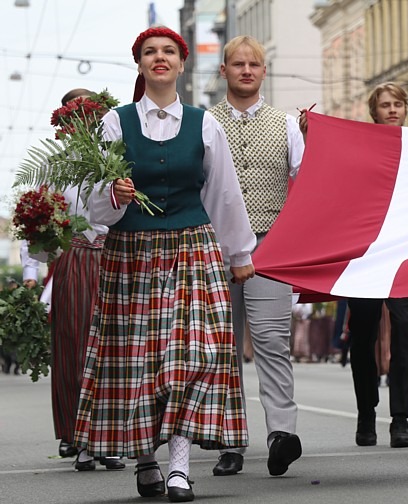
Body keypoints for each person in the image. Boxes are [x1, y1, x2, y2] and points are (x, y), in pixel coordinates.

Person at [72, 26, 256, 503]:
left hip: (192, 250)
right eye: (150, 52)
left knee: (190, 358)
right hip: (131, 253)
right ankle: (146, 461)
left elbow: (223, 194)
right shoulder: (114, 124)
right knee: (139, 364)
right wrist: (114, 195)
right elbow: (96, 208)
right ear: (139, 64)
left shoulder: (204, 123)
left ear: (181, 63)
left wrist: (240, 255)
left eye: (168, 52)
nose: (159, 58)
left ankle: (179, 465)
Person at [299, 83, 408, 447]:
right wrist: (312, 135)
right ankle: (366, 414)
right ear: (374, 111)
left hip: (404, 253)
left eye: (398, 104)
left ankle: (401, 419)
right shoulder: (360, 143)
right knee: (363, 334)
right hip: (365, 255)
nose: (393, 110)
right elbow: (331, 170)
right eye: (385, 105)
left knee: (403, 328)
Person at [207, 34, 303, 478]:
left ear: (264, 73)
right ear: (223, 71)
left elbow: (307, 183)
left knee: (272, 343)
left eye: (254, 64)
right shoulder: (203, 123)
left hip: (271, 246)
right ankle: (230, 440)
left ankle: (281, 435)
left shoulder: (286, 125)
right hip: (214, 248)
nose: (246, 70)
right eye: (238, 64)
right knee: (222, 348)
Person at [31, 89, 125, 470]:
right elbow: (38, 223)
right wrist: (32, 273)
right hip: (75, 260)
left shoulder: (116, 160)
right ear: (66, 125)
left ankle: (113, 438)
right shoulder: (55, 169)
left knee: (117, 348)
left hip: (116, 259)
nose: (83, 123)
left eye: (89, 114)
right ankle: (81, 439)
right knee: (74, 347)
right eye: (74, 116)